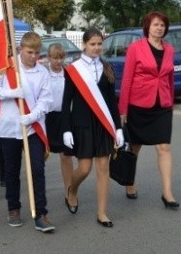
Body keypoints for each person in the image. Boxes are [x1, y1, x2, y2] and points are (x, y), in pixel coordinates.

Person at [0, 32, 55, 233]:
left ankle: (41, 212)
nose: (33, 56)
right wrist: (12, 93)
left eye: (36, 52)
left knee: (37, 169)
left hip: (33, 127)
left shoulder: (42, 72)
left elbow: (47, 100)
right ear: (20, 49)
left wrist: (33, 116)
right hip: (9, 127)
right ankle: (13, 208)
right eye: (29, 52)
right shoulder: (8, 67)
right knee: (11, 171)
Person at [61, 28, 124, 228]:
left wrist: (118, 128)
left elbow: (112, 102)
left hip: (103, 124)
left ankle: (102, 213)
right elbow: (66, 102)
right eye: (92, 44)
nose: (96, 48)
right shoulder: (73, 70)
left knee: (103, 168)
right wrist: (66, 129)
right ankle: (72, 190)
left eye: (99, 44)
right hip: (82, 124)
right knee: (85, 168)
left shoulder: (108, 68)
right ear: (84, 45)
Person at [118, 11, 179, 209]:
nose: (159, 28)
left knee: (164, 147)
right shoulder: (136, 48)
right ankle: (130, 182)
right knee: (135, 147)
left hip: (162, 105)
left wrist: (171, 102)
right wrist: (123, 109)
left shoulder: (169, 50)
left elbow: (169, 78)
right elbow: (127, 79)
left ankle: (167, 193)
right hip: (138, 104)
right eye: (155, 24)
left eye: (162, 25)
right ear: (148, 27)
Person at [45, 43, 74, 201]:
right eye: (55, 58)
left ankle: (68, 189)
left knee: (66, 155)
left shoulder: (68, 73)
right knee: (42, 154)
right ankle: (38, 190)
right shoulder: (43, 73)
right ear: (49, 57)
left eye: (61, 57)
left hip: (64, 117)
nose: (58, 61)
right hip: (47, 117)